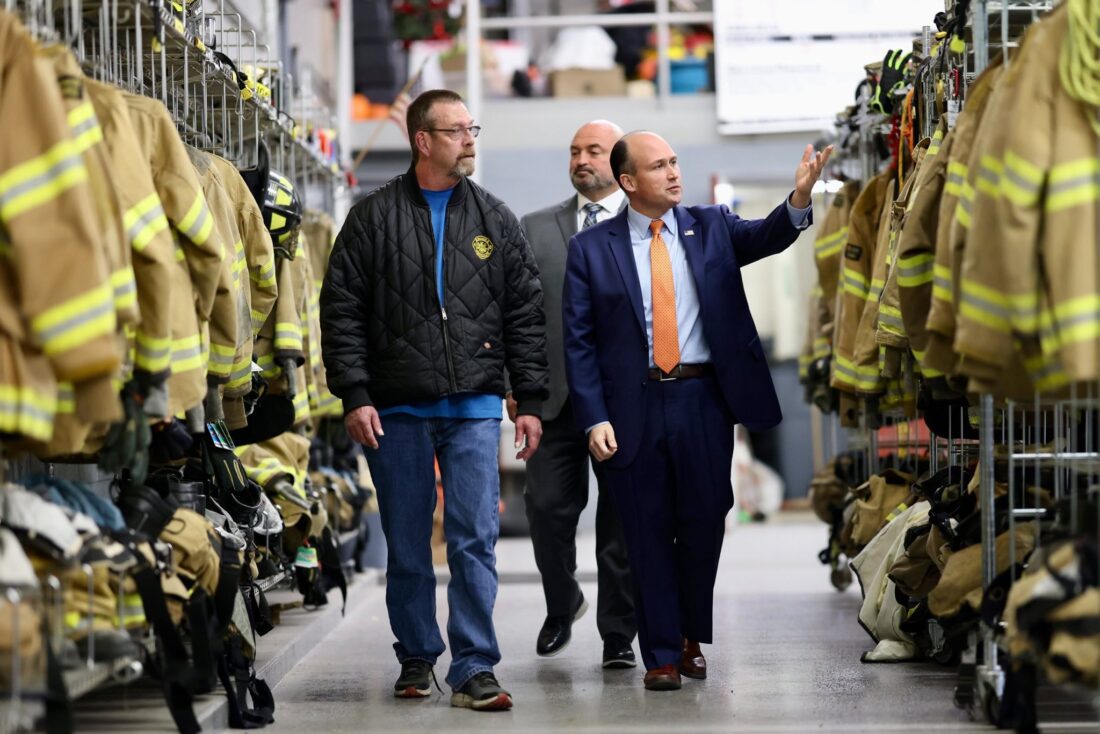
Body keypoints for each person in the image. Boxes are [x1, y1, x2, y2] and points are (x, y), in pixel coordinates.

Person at [562, 130, 831, 691]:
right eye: (659, 166)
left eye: (675, 162)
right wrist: (593, 417)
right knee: (646, 530)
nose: (674, 173)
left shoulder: (710, 226)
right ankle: (661, 653)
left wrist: (800, 198)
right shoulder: (591, 249)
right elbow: (579, 343)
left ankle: (689, 631)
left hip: (703, 400)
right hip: (631, 406)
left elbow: (768, 236)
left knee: (705, 519)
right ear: (629, 182)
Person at [320, 89, 549, 712]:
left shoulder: (495, 219)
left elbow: (525, 313)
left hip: (474, 408)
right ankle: (417, 657)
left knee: (475, 536)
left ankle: (475, 664)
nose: (469, 140)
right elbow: (341, 310)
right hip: (395, 409)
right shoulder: (370, 218)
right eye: (456, 131)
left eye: (472, 129)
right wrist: (355, 393)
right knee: (408, 538)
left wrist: (528, 397)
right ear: (423, 141)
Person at [512, 120, 636, 668]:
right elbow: (513, 316)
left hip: (625, 403)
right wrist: (518, 389)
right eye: (574, 151)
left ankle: (618, 634)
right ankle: (562, 605)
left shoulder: (646, 227)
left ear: (620, 161)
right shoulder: (533, 228)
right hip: (552, 400)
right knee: (546, 510)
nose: (581, 159)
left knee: (622, 522)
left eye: (594, 150)